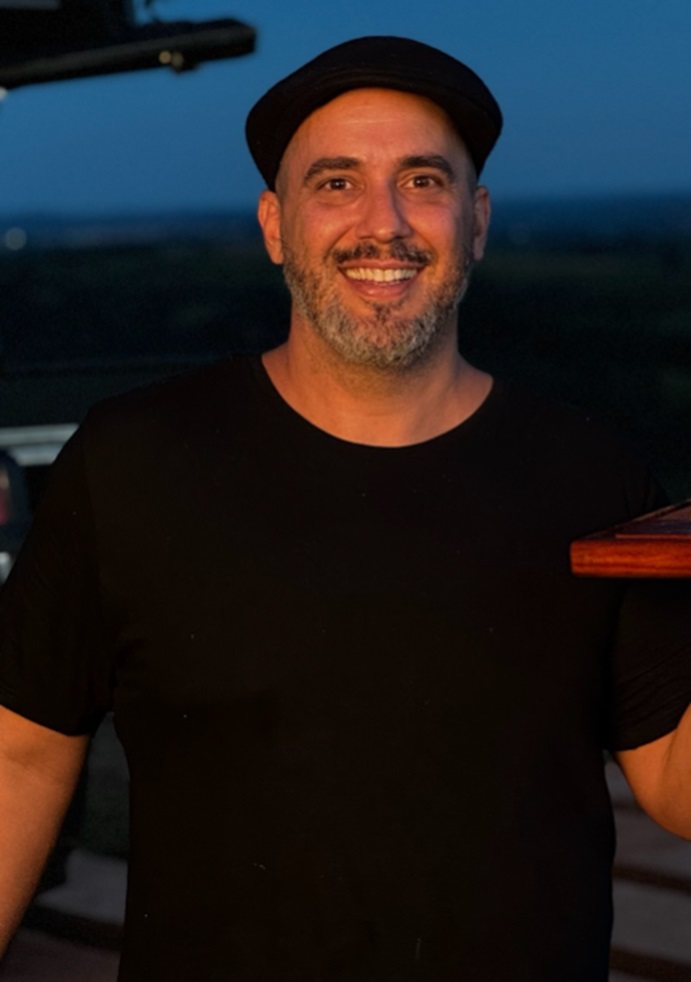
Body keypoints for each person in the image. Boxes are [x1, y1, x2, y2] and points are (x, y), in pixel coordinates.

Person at [0, 35, 690, 982]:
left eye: (422, 181)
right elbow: (21, 755)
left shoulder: (590, 474)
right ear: (275, 225)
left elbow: (673, 780)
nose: (383, 223)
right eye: (335, 183)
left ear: (476, 221)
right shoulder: (132, 462)